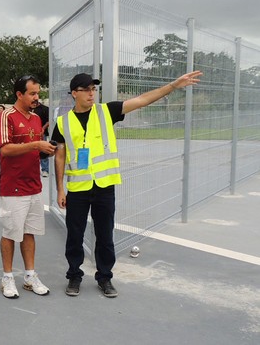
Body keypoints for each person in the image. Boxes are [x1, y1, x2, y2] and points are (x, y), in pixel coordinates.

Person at [53, 71, 202, 298]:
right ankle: (74, 275)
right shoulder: (62, 122)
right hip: (78, 189)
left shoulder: (106, 111)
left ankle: (104, 277)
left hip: (104, 186)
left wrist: (173, 85)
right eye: (86, 90)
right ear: (74, 93)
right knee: (75, 236)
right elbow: (60, 156)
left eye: (94, 89)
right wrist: (60, 189)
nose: (92, 94)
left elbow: (142, 100)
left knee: (105, 235)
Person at [0, 75, 56, 299]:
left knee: (30, 232)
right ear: (19, 94)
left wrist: (45, 149)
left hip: (34, 185)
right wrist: (36, 144)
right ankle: (7, 277)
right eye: (32, 93)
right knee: (11, 233)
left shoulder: (36, 119)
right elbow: (5, 149)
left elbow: (32, 150)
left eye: (38, 93)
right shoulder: (6, 116)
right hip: (13, 187)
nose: (36, 97)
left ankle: (30, 276)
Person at [33, 100, 50, 177]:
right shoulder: (28, 108)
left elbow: (49, 121)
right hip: (30, 133)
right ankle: (33, 170)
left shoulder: (45, 109)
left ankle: (45, 169)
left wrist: (42, 128)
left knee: (43, 151)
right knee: (32, 152)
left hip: (42, 133)